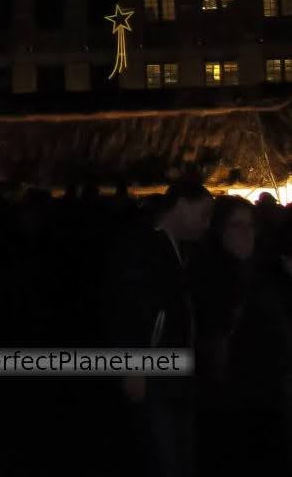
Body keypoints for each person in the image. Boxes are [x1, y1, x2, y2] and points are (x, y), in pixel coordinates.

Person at [104, 175, 212, 477]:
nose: (206, 223)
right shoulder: (143, 245)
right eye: (203, 214)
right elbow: (128, 308)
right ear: (181, 206)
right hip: (156, 370)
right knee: (163, 452)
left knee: (175, 450)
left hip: (173, 369)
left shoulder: (179, 248)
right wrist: (131, 365)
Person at [192, 195, 292, 468]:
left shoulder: (262, 273)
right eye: (236, 226)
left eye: (250, 225)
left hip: (267, 396)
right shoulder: (209, 280)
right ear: (219, 231)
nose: (246, 233)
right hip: (232, 403)